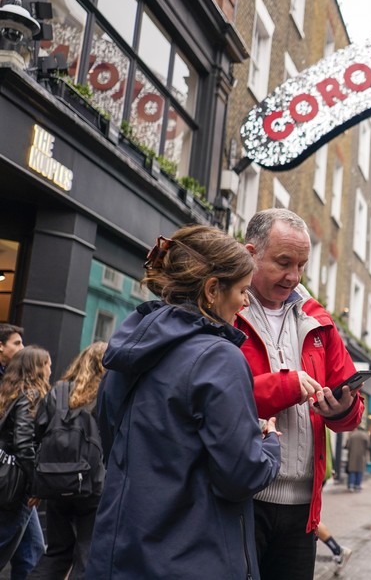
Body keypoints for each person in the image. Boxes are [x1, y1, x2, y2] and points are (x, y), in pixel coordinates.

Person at [88, 225, 282, 579]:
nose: (244, 301)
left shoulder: (128, 350)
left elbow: (111, 436)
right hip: (192, 556)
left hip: (120, 550)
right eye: (240, 290)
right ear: (212, 290)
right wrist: (270, 446)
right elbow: (241, 474)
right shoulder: (219, 358)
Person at [235, 209, 364, 580]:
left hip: (304, 508)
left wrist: (342, 408)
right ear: (251, 254)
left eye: (301, 265)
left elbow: (352, 413)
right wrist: (286, 386)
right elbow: (216, 400)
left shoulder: (318, 319)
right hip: (242, 498)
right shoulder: (227, 310)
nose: (293, 276)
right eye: (283, 262)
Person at [29, 342, 107, 580]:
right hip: (93, 485)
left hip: (56, 481)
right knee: (86, 554)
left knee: (57, 553)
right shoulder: (106, 393)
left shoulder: (58, 390)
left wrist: (37, 482)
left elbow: (37, 433)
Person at [0, 346, 51, 572]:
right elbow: (23, 444)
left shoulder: (9, 391)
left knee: (33, 548)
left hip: (8, 480)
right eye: (48, 364)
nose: (51, 369)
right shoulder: (32, 395)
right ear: (38, 368)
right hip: (17, 486)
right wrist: (35, 485)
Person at [344, 426, 369, 492]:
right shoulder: (365, 436)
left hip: (352, 456)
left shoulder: (352, 435)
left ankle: (351, 486)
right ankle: (357, 486)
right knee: (359, 471)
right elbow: (368, 446)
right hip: (361, 456)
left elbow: (347, 446)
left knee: (352, 471)